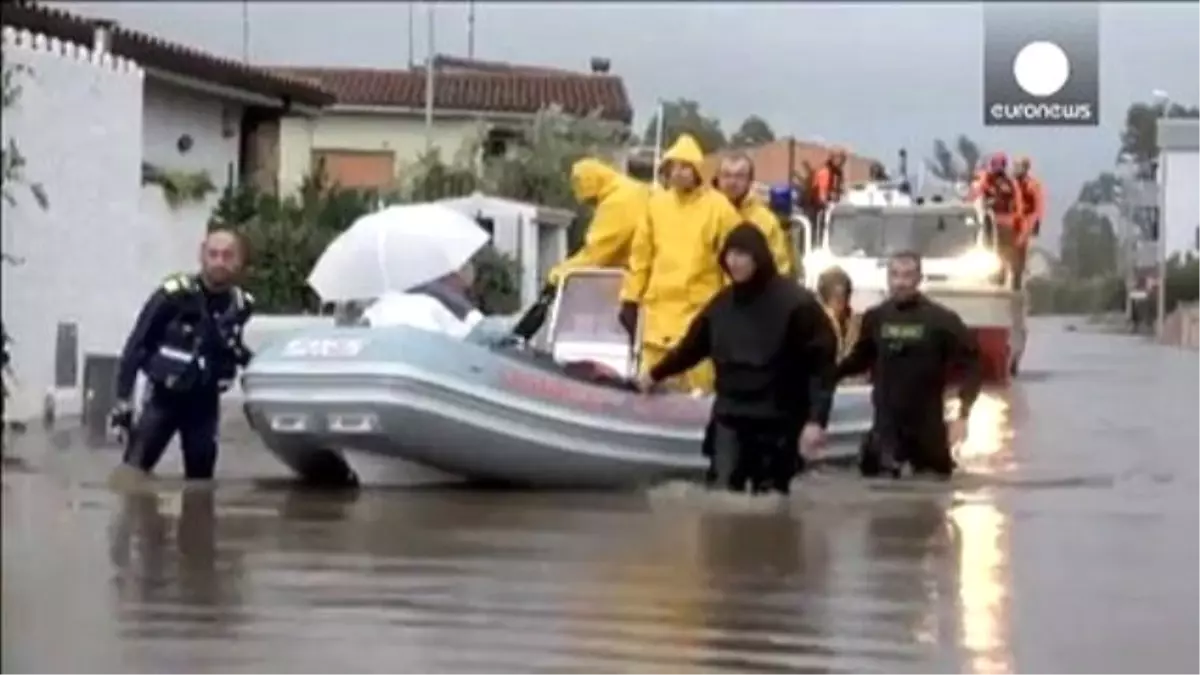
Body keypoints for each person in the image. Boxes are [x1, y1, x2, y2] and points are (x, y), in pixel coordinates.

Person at [635, 224, 837, 494]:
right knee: (722, 495)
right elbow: (690, 349)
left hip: (779, 421)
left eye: (743, 254)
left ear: (759, 257)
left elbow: (821, 367)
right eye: (730, 254)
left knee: (773, 502)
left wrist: (816, 421)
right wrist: (654, 374)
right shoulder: (721, 305)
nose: (734, 262)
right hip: (729, 416)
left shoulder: (797, 304)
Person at [109, 230, 255, 481]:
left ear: (239, 261)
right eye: (213, 254)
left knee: (200, 483)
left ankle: (198, 520)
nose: (219, 262)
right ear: (201, 255)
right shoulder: (173, 295)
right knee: (131, 474)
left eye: (228, 256)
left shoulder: (241, 305)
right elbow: (136, 345)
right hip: (164, 399)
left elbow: (238, 350)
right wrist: (123, 401)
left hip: (205, 403)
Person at [835, 251, 982, 479]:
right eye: (894, 275)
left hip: (927, 430)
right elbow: (859, 359)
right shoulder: (876, 317)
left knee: (931, 500)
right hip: (886, 429)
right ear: (887, 278)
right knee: (879, 498)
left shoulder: (941, 320)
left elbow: (973, 364)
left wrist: (963, 415)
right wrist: (826, 375)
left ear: (919, 279)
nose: (900, 283)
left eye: (907, 276)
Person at [619, 133, 742, 393]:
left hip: (699, 319)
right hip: (658, 321)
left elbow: (735, 263)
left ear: (698, 170)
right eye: (674, 166)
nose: (680, 172)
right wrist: (630, 298)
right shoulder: (655, 206)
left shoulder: (719, 209)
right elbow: (641, 258)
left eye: (687, 166)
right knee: (650, 394)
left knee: (698, 398)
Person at [545, 158, 649, 287]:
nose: (594, 208)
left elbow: (596, 253)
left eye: (592, 201)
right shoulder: (631, 190)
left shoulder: (617, 202)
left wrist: (559, 273)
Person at [714, 153, 795, 277]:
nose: (732, 182)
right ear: (718, 179)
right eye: (726, 175)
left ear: (750, 180)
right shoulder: (705, 213)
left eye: (739, 176)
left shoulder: (766, 220)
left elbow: (780, 267)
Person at [362, 261, 483, 339]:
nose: (460, 294)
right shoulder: (441, 305)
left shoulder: (380, 305)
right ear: (452, 277)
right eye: (462, 288)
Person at [969, 153, 1026, 289]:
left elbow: (1016, 201)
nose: (997, 167)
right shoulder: (988, 180)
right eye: (995, 164)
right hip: (990, 220)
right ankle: (1002, 275)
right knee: (999, 250)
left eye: (999, 164)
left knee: (1005, 251)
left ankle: (1006, 276)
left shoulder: (1008, 182)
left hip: (1003, 221)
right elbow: (975, 196)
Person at [816, 267, 860, 362]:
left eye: (843, 295)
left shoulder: (857, 323)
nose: (841, 300)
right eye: (836, 296)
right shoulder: (815, 323)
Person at [1012, 155, 1044, 237]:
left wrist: (1037, 222)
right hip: (1010, 218)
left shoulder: (1033, 185)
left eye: (1018, 166)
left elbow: (1038, 204)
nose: (1016, 168)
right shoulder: (1009, 182)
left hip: (1026, 220)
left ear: (1026, 168)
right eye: (1015, 166)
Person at [812, 147, 848, 211]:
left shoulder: (837, 172)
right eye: (842, 159)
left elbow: (840, 190)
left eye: (844, 160)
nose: (843, 163)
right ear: (835, 158)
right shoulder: (824, 172)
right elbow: (822, 196)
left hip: (831, 204)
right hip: (819, 208)